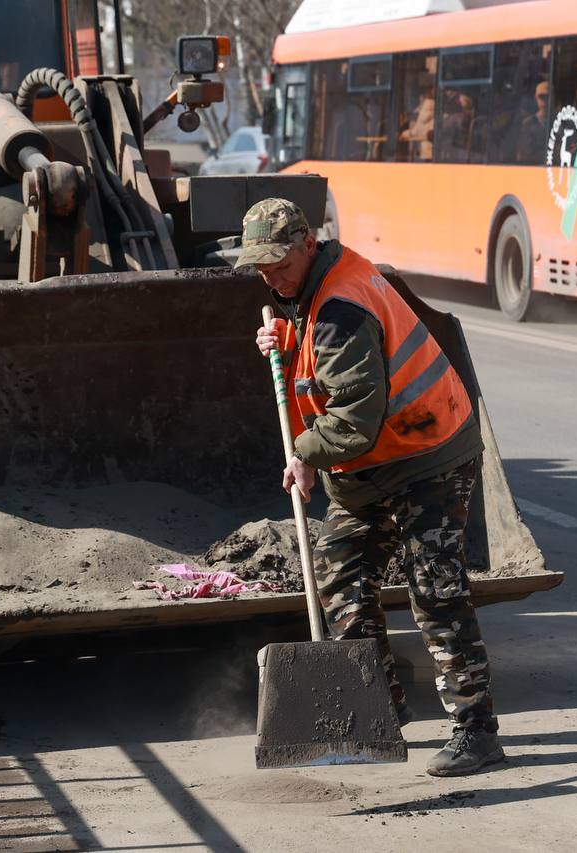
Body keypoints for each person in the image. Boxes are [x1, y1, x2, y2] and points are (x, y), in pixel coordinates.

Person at [238, 197, 503, 777]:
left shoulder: (340, 305)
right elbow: (329, 359)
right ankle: (379, 708)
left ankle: (476, 730)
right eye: (260, 266)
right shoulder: (314, 293)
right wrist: (287, 338)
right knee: (341, 578)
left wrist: (304, 454)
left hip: (427, 456)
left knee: (434, 589)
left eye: (279, 263)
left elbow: (355, 417)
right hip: (373, 468)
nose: (270, 276)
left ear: (308, 244)